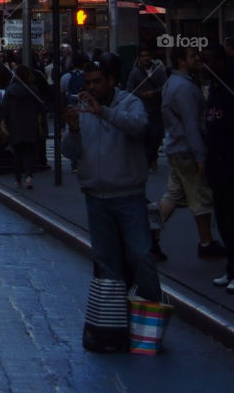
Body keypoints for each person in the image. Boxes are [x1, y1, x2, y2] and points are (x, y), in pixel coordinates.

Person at [63, 54, 162, 352]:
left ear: (111, 81)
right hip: (96, 196)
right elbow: (70, 152)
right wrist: (74, 129)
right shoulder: (83, 107)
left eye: (97, 82)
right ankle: (113, 328)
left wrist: (104, 112)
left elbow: (138, 127)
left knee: (141, 255)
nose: (92, 87)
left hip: (128, 194)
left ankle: (149, 324)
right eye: (88, 82)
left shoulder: (129, 102)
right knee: (106, 263)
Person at [158, 43, 225, 258]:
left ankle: (149, 233)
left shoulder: (173, 83)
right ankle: (206, 242)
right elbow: (191, 124)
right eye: (192, 55)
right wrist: (200, 156)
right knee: (200, 197)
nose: (197, 59)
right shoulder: (184, 88)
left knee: (174, 194)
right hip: (186, 149)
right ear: (181, 61)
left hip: (176, 147)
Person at [203, 45, 234, 292]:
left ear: (220, 62)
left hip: (233, 167)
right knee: (224, 221)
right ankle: (232, 268)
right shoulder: (215, 89)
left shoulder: (233, 90)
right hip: (217, 165)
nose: (204, 66)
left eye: (208, 61)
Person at [2, 65, 46, 190]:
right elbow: (40, 108)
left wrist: (3, 122)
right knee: (29, 151)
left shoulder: (10, 90)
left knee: (17, 152)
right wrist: (40, 124)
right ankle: (29, 176)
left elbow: (5, 108)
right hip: (30, 122)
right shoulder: (33, 89)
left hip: (15, 123)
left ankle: (17, 179)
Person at [125, 47, 166, 170]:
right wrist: (142, 95)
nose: (145, 58)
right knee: (145, 135)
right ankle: (147, 160)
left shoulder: (159, 71)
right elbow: (130, 90)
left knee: (156, 134)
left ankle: (153, 157)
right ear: (139, 58)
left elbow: (165, 87)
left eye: (147, 55)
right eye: (143, 56)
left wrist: (154, 93)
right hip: (141, 109)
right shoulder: (134, 73)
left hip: (156, 108)